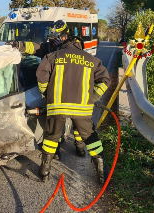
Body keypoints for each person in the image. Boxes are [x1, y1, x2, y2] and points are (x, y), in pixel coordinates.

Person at [35, 20, 111, 184]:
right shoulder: (91, 59)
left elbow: (41, 77)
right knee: (91, 138)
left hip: (57, 107)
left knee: (51, 138)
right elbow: (105, 79)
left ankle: (44, 172)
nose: (51, 43)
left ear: (61, 39)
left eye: (53, 40)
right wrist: (92, 98)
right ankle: (102, 173)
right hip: (82, 108)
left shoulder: (53, 56)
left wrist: (46, 94)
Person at [6, 20, 86, 159]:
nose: (53, 42)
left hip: (73, 90)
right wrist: (19, 45)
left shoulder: (74, 50)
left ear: (64, 36)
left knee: (78, 120)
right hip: (56, 90)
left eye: (55, 39)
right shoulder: (50, 47)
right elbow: (36, 47)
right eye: (51, 39)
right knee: (55, 123)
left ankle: (79, 147)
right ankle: (56, 150)